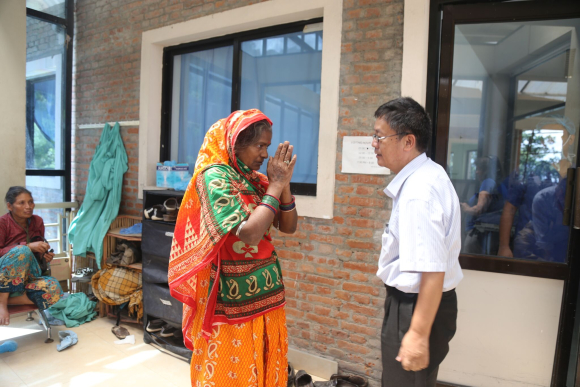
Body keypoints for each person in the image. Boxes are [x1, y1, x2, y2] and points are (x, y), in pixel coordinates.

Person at [168, 109, 298, 387]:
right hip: (230, 299)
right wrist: (275, 185)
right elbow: (249, 233)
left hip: (268, 293)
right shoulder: (214, 177)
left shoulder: (255, 179)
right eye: (259, 146)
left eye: (267, 146)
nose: (265, 154)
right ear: (235, 143)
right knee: (230, 374)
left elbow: (288, 226)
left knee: (263, 369)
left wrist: (283, 184)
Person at [373, 97, 463, 387]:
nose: (374, 143)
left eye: (379, 136)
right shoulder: (428, 174)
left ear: (408, 141)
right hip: (425, 304)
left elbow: (432, 269)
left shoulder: (419, 192)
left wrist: (417, 334)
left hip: (415, 306)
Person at [0, 186, 64, 325]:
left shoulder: (37, 221)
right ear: (10, 206)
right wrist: (27, 246)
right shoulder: (3, 223)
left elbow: (37, 253)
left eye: (31, 202)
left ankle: (17, 298)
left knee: (54, 288)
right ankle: (2, 303)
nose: (28, 206)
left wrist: (43, 256)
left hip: (28, 275)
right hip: (3, 274)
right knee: (22, 251)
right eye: (21, 203)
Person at [460, 155, 506, 255]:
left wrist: (466, 208)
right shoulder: (498, 184)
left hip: (478, 235)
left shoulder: (488, 182)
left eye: (479, 169)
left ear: (486, 171)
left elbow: (479, 209)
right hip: (485, 235)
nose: (476, 172)